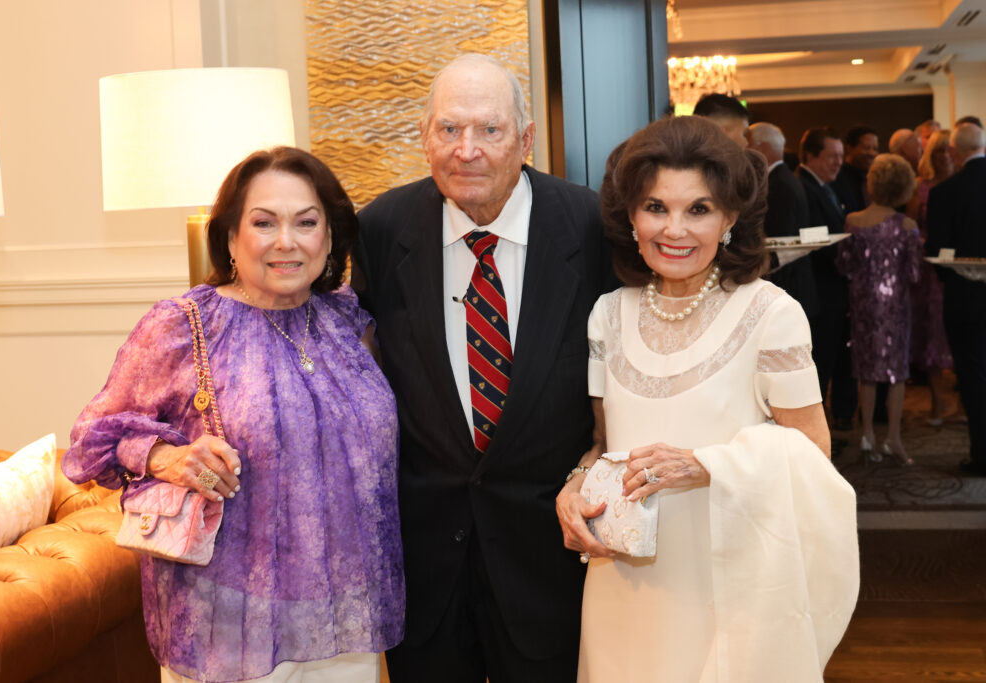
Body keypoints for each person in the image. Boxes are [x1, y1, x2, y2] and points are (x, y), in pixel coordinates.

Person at [63, 147, 404, 683]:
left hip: (341, 621)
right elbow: (90, 441)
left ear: (330, 237)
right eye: (263, 222)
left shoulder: (346, 321)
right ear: (229, 237)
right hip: (227, 624)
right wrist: (167, 456)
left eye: (306, 222)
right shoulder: (184, 326)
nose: (286, 241)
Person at [556, 115, 858, 682]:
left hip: (729, 591)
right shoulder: (608, 314)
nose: (675, 229)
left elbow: (814, 450)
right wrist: (574, 486)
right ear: (631, 217)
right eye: (655, 207)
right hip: (622, 584)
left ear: (730, 218)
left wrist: (708, 465)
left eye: (698, 209)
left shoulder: (771, 314)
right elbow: (602, 444)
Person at [355, 53, 614, 682]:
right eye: (448, 129)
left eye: (489, 130)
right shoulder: (381, 230)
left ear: (525, 140)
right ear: (424, 137)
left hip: (551, 558)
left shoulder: (591, 226)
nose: (465, 149)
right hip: (426, 567)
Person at [836, 154, 922, 464]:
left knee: (865, 372)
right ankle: (893, 439)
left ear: (873, 184)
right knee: (896, 373)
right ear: (904, 186)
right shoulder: (908, 226)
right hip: (896, 306)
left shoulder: (854, 221)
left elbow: (843, 264)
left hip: (862, 303)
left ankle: (866, 434)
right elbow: (914, 274)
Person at [926, 122, 986, 475]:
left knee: (973, 374)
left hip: (964, 297)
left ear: (956, 151)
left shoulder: (946, 191)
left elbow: (938, 252)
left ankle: (982, 455)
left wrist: (953, 274)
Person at [796, 127, 857, 437]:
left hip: (833, 288)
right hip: (821, 289)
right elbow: (812, 242)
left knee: (832, 358)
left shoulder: (826, 186)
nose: (838, 163)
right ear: (810, 156)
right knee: (820, 362)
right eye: (832, 156)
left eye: (841, 156)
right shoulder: (804, 187)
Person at [746, 121, 817, 317]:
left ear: (761, 147)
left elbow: (778, 238)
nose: (744, 149)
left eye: (748, 143)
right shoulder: (786, 178)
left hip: (788, 283)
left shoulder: (778, 185)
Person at [911, 129, 954, 425]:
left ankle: (964, 404)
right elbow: (911, 227)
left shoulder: (967, 184)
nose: (945, 156)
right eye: (939, 151)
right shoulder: (921, 187)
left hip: (960, 269)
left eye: (949, 150)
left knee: (960, 335)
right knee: (932, 335)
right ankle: (938, 404)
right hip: (928, 270)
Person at [831, 125, 878, 215]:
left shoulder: (876, 180)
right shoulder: (836, 178)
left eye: (875, 149)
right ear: (849, 149)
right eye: (867, 148)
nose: (872, 153)